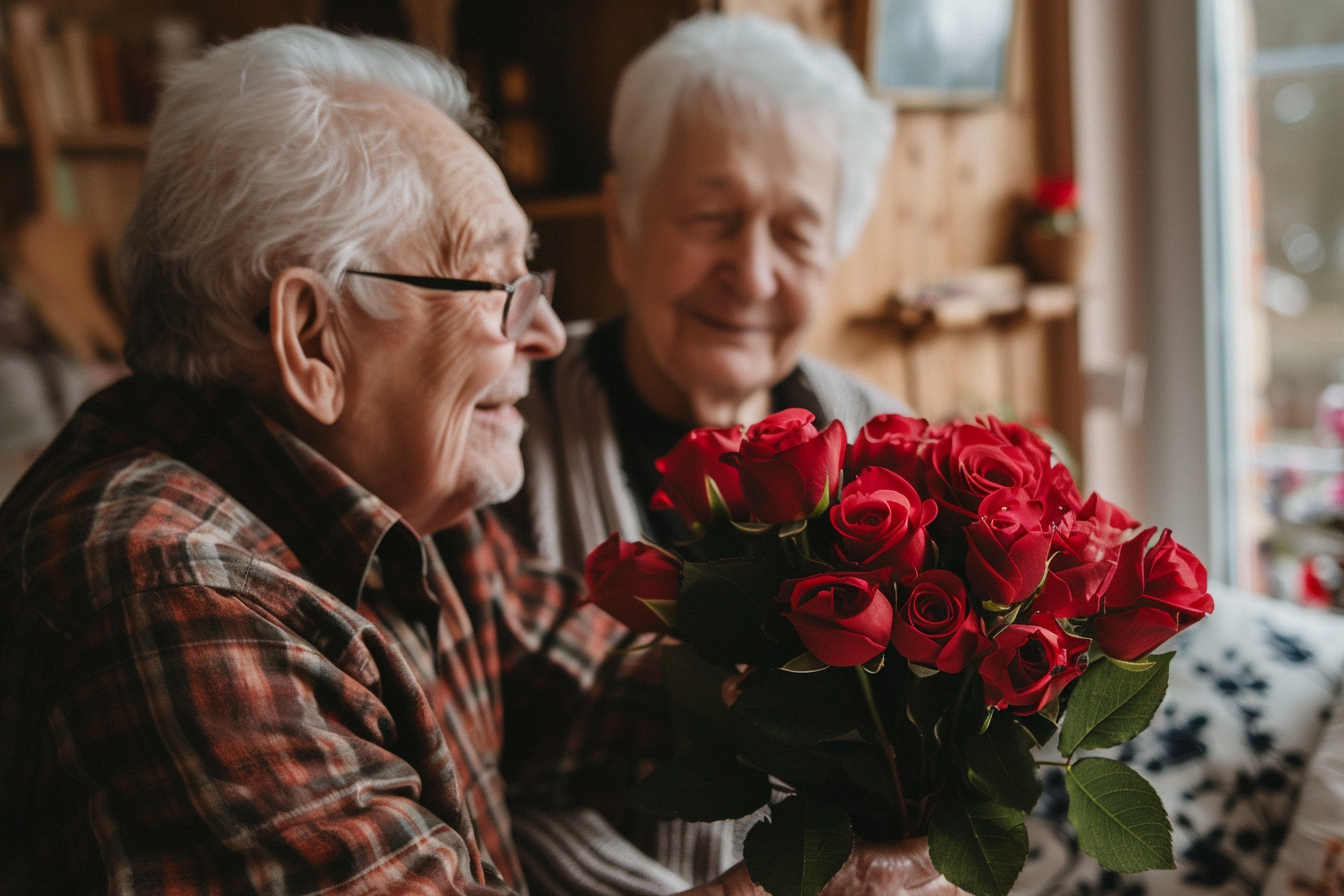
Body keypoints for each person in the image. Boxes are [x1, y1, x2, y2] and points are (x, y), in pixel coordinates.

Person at [0, 23, 960, 896]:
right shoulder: (175, 594)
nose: (544, 333)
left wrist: (916, 701)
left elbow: (598, 689)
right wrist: (842, 885)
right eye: (494, 285)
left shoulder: (388, 495)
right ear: (312, 337)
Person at [501, 12, 919, 894]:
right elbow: (481, 775)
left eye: (797, 232)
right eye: (711, 216)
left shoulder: (886, 444)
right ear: (623, 222)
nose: (755, 272)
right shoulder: (502, 427)